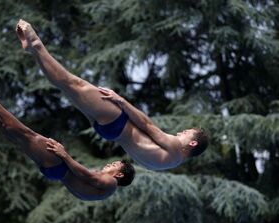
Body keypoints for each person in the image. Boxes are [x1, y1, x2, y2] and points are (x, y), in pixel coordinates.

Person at [16, 19, 209, 170]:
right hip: (111, 132)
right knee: (66, 87)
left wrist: (122, 102)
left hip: (118, 121)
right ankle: (34, 50)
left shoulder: (176, 148)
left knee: (71, 82)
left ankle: (36, 44)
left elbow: (148, 125)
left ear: (192, 143)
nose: (180, 132)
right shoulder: (170, 163)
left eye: (185, 133)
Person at [0, 85, 135, 201]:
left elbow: (87, 175)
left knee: (26, 135)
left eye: (115, 164)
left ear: (119, 174)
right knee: (18, 138)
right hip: (56, 171)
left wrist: (64, 155)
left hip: (60, 167)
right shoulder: (105, 189)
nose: (109, 164)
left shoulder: (112, 183)